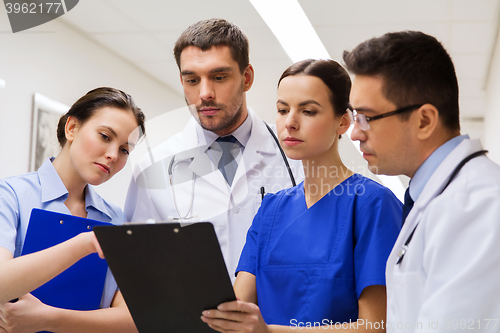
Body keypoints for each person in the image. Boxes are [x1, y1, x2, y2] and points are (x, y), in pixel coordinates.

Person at [201, 59, 402, 332]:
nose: (290, 123)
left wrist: (270, 332)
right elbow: (236, 308)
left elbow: (376, 326)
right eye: (282, 110)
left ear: (343, 121)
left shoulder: (372, 204)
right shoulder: (270, 210)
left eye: (308, 111)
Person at [343, 31, 500, 331]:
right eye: (353, 116)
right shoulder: (432, 199)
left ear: (424, 121)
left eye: (366, 117)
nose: (355, 133)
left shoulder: (478, 204)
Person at [125, 18, 303, 281]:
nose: (205, 93)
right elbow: (136, 268)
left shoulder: (297, 158)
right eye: (192, 80)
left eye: (219, 77)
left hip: (276, 319)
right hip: (189, 321)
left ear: (247, 78)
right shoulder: (152, 168)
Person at [0, 87, 145, 332]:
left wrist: (47, 318)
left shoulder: (115, 219)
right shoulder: (11, 195)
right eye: (105, 136)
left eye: (124, 150)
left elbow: (133, 318)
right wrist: (84, 244)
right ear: (72, 128)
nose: (112, 155)